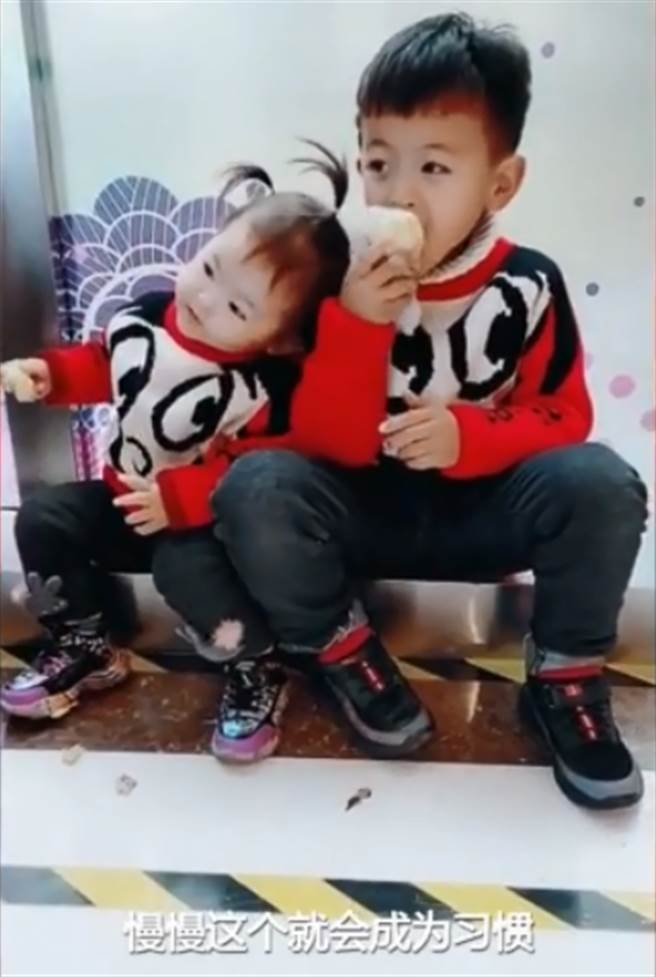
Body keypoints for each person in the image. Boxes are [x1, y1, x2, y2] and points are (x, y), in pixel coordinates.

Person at [210, 14, 648, 807]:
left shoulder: (528, 285)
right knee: (257, 485)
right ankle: (341, 652)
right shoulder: (329, 277)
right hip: (363, 516)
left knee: (601, 482)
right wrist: (355, 323)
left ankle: (564, 676)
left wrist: (466, 435)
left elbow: (564, 418)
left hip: (482, 515)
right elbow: (319, 442)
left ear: (500, 184)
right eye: (379, 163)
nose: (399, 193)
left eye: (435, 167)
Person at [0, 144, 359, 764]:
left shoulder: (260, 388)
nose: (206, 299)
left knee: (187, 572)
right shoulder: (146, 316)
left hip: (199, 526)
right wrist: (50, 376)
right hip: (121, 496)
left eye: (239, 306)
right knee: (43, 519)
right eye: (210, 267)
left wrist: (181, 500)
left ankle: (255, 667)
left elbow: (255, 469)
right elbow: (105, 364)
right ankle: (86, 643)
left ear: (283, 339)